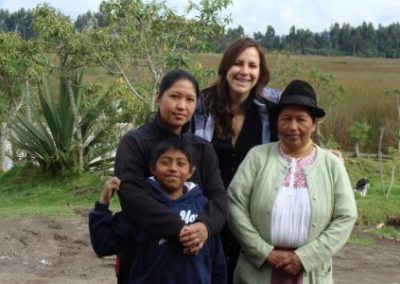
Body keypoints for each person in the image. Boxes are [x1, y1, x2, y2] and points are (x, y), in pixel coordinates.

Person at [227, 79, 358, 283]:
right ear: (277, 121)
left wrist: (304, 257)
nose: (292, 126)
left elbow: (346, 216)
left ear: (314, 124)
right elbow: (235, 204)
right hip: (257, 270)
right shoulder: (257, 157)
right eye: (286, 118)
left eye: (301, 119)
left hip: (311, 273)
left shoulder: (332, 165)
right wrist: (264, 252)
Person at [192, 37, 280, 282]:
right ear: (226, 67)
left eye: (252, 66)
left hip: (250, 218)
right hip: (206, 214)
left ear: (260, 72)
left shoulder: (270, 109)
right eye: (238, 63)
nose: (244, 71)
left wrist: (322, 151)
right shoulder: (201, 105)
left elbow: (300, 121)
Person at [114, 69, 226, 257]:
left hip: (195, 259)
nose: (182, 106)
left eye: (190, 99)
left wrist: (204, 226)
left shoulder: (203, 149)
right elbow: (131, 195)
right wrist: (180, 230)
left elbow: (219, 198)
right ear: (159, 97)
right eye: (175, 96)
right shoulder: (135, 143)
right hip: (145, 257)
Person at [89, 138, 227, 283]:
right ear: (153, 168)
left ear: (191, 171)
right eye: (165, 162)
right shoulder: (142, 207)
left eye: (181, 163)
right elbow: (103, 244)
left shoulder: (203, 208)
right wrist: (102, 205)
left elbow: (217, 263)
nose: (173, 168)